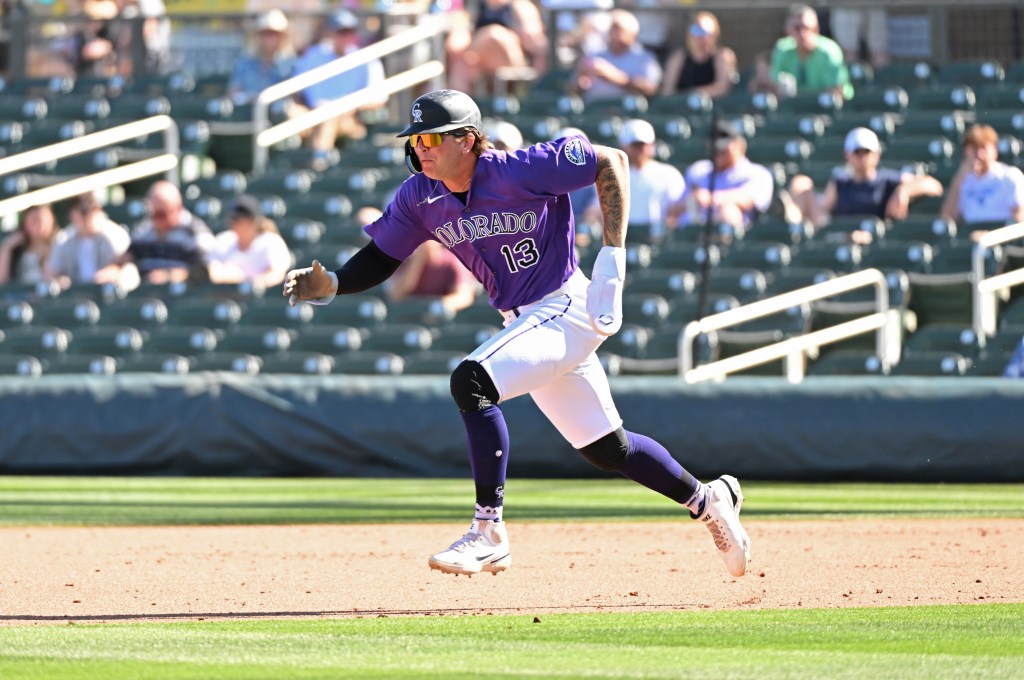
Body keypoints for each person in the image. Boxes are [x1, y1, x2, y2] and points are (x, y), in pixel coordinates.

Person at [282, 88, 751, 578]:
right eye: (415, 139)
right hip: (526, 320)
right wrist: (335, 283)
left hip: (564, 305)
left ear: (467, 140)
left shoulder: (520, 169)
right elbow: (383, 256)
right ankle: (708, 498)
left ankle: (488, 532)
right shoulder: (420, 195)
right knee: (607, 448)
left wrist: (613, 257)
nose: (420, 147)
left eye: (431, 138)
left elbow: (611, 161)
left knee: (471, 381)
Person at [788, 127, 944, 234]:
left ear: (876, 155)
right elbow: (823, 212)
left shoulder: (887, 180)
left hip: (874, 241)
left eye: (866, 152)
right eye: (857, 152)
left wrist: (904, 191)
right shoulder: (840, 182)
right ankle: (790, 218)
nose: (862, 157)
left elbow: (933, 185)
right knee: (801, 183)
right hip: (842, 238)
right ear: (848, 155)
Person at [290, 10, 387, 164]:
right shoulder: (315, 55)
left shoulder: (366, 59)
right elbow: (296, 88)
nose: (345, 36)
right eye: (341, 32)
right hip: (312, 115)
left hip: (349, 120)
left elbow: (379, 98)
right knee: (291, 111)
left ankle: (319, 162)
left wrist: (349, 105)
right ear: (330, 33)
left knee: (329, 115)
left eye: (349, 31)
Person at [672, 120, 775, 234]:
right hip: (694, 228)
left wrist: (710, 198)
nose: (718, 152)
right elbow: (676, 209)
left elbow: (747, 200)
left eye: (723, 148)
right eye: (714, 148)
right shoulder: (698, 170)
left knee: (728, 209)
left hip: (734, 231)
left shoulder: (757, 173)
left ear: (740, 146)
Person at [118, 180, 215, 285]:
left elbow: (207, 271)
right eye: (153, 213)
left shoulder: (196, 234)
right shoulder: (143, 230)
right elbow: (125, 258)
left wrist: (170, 276)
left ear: (178, 208)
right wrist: (113, 270)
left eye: (162, 214)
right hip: (147, 291)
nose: (156, 219)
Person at [445, 0, 549, 96]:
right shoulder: (474, 8)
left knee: (493, 35)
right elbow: (456, 44)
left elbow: (536, 45)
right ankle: (457, 103)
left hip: (512, 62)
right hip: (478, 64)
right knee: (461, 61)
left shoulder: (520, 7)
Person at [941, 124, 1024, 228]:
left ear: (995, 151)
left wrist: (990, 234)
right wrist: (959, 179)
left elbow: (1020, 216)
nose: (979, 155)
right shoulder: (963, 180)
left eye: (983, 148)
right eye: (974, 149)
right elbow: (947, 218)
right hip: (970, 233)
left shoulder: (1010, 176)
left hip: (1002, 233)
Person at [45, 192, 134, 289]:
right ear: (72, 214)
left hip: (108, 291)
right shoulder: (64, 240)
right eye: (83, 211)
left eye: (93, 209)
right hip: (76, 294)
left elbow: (128, 264)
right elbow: (50, 272)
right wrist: (59, 281)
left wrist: (114, 271)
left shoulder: (115, 235)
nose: (88, 216)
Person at [618, 118, 685, 243]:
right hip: (624, 239)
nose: (639, 150)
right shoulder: (616, 174)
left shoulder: (669, 173)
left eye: (642, 145)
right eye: (635, 145)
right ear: (624, 147)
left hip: (658, 238)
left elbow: (677, 208)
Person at [768, 4, 853, 101]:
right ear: (788, 30)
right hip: (792, 106)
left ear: (816, 29)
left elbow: (838, 90)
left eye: (806, 28)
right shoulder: (782, 49)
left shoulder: (829, 52)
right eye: (797, 28)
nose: (802, 34)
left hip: (825, 105)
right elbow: (773, 84)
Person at [573, 9, 661, 102]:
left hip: (627, 110)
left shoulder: (645, 59)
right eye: (612, 30)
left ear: (633, 34)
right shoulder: (594, 56)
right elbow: (572, 91)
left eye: (620, 31)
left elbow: (651, 89)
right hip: (592, 108)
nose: (615, 35)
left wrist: (616, 78)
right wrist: (580, 85)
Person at [207, 194, 293, 288]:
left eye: (238, 219)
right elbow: (214, 273)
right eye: (231, 218)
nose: (233, 222)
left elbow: (277, 275)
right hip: (226, 294)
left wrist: (247, 281)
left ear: (253, 221)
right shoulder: (224, 239)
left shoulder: (272, 242)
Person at [659, 11, 737, 99]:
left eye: (705, 32)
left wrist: (695, 95)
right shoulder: (678, 58)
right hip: (681, 106)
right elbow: (667, 91)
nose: (700, 37)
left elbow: (722, 88)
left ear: (715, 35)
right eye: (696, 31)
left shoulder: (723, 56)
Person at [226, 9, 296, 105]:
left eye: (273, 34)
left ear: (281, 37)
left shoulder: (290, 65)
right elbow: (232, 92)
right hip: (246, 111)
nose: (268, 39)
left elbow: (292, 96)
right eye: (264, 34)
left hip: (276, 113)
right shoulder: (245, 63)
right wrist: (248, 98)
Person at [0, 204, 59, 286]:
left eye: (42, 220)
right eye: (33, 220)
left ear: (52, 219)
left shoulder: (61, 243)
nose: (38, 224)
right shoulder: (17, 250)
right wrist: (8, 247)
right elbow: (2, 281)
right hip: (22, 292)